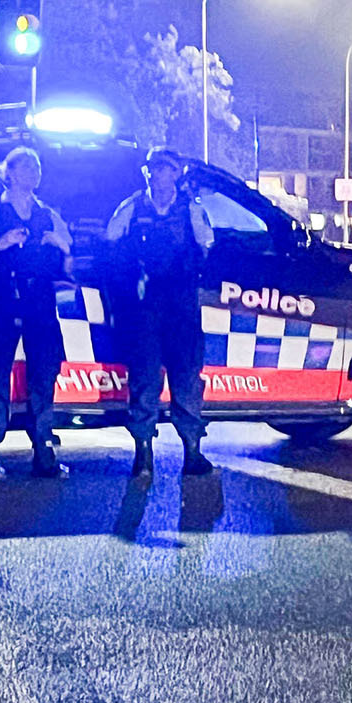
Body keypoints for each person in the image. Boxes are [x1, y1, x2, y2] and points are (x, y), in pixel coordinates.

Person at [0, 146, 72, 480]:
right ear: (8, 173)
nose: (34, 172)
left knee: (44, 372)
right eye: (25, 166)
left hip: (39, 299)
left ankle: (43, 449)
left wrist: (61, 246)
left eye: (37, 166)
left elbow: (70, 267)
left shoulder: (49, 215)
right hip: (4, 298)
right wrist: (1, 244)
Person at [105, 147, 215, 477]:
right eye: (154, 169)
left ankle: (192, 452)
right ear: (148, 172)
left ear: (176, 174)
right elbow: (111, 238)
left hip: (181, 305)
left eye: (166, 169)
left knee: (186, 379)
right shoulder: (132, 206)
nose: (159, 175)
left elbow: (207, 243)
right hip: (145, 304)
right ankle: (143, 455)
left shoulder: (191, 209)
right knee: (144, 378)